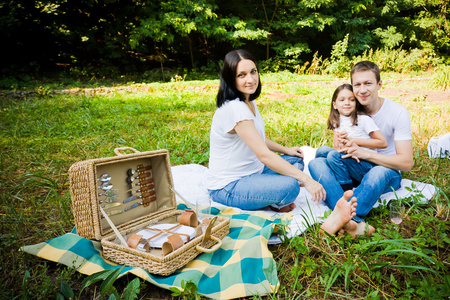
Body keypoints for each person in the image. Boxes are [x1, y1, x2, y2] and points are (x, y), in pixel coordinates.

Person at [204, 49, 358, 235]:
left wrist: (286, 149)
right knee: (291, 186)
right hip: (228, 186)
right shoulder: (235, 109)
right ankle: (273, 200)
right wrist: (307, 180)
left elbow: (259, 138)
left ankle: (270, 198)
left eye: (253, 72)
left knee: (296, 161)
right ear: (230, 78)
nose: (250, 79)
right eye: (241, 75)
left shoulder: (247, 102)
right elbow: (263, 155)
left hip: (254, 172)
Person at [309, 61, 414, 237]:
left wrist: (364, 152)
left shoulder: (397, 113)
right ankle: (351, 220)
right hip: (356, 167)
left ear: (379, 84)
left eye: (368, 83)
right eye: (357, 84)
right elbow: (341, 147)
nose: (362, 90)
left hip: (386, 172)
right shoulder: (350, 110)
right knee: (316, 163)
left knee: (378, 172)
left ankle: (347, 216)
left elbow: (406, 163)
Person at [315, 83, 387, 192]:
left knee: (333, 156)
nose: (347, 103)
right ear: (335, 105)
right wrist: (341, 142)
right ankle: (330, 177)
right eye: (342, 100)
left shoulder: (363, 120)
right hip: (348, 160)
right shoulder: (336, 120)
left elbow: (382, 142)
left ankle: (346, 189)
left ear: (357, 103)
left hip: (364, 165)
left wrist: (354, 141)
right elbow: (336, 147)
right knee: (322, 150)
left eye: (351, 100)